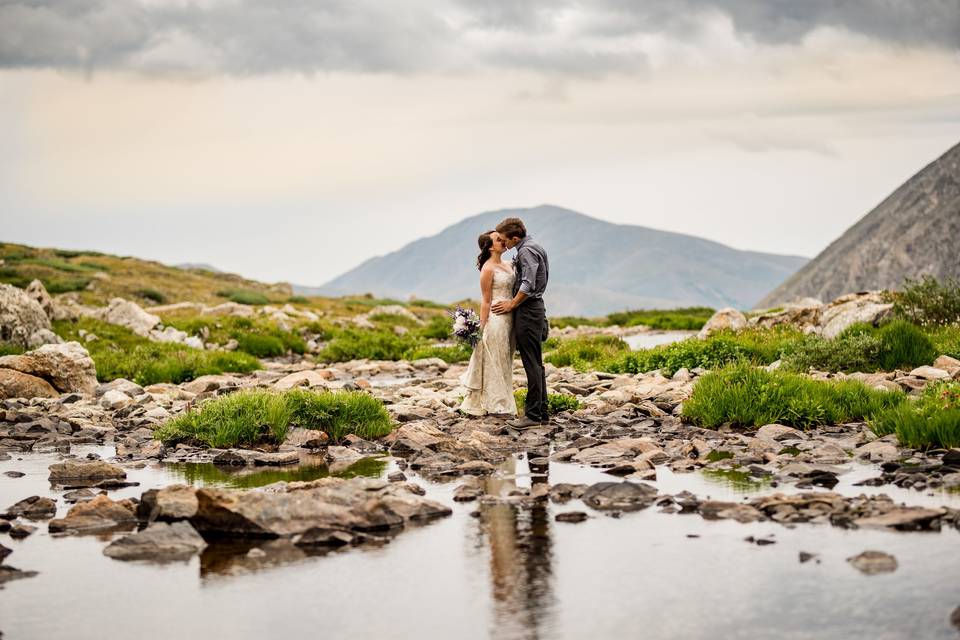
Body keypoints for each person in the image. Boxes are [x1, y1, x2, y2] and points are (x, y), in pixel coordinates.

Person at [491, 217, 550, 428]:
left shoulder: (526, 251)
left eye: (504, 239)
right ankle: (542, 412)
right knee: (536, 362)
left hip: (528, 309)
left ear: (515, 237)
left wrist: (511, 304)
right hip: (534, 308)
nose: (503, 243)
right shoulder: (532, 246)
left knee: (531, 362)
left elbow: (528, 283)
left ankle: (533, 416)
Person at [459, 230, 519, 417]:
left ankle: (505, 399)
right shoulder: (487, 269)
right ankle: (497, 403)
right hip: (497, 318)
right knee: (496, 360)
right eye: (497, 239)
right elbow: (485, 300)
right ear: (490, 246)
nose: (502, 240)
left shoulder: (509, 264)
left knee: (506, 360)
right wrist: (481, 328)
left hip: (511, 317)